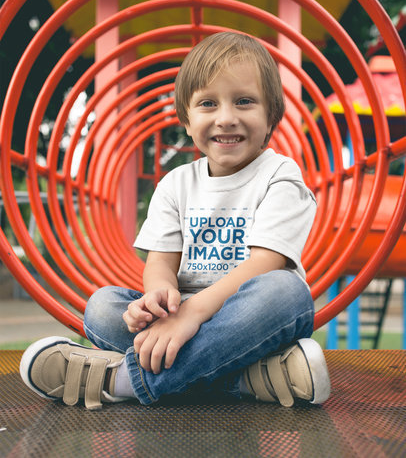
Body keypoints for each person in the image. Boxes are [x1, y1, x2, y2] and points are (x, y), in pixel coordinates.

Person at [20, 32, 331, 410]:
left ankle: (120, 381)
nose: (227, 118)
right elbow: (160, 263)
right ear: (186, 120)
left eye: (245, 102)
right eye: (208, 104)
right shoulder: (177, 184)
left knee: (285, 291)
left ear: (271, 118)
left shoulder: (281, 175)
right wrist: (157, 297)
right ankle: (249, 378)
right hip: (183, 317)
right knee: (102, 306)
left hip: (250, 318)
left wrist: (191, 316)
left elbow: (265, 263)